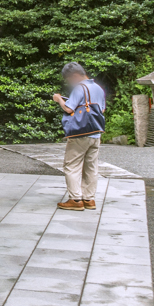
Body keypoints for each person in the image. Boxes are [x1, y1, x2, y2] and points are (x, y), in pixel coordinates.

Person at [53, 61, 106, 211]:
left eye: (69, 79)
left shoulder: (79, 88)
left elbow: (69, 109)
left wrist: (59, 99)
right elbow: (101, 110)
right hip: (96, 132)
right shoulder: (98, 88)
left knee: (71, 165)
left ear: (74, 76)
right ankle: (89, 199)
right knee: (91, 166)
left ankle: (75, 199)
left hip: (80, 133)